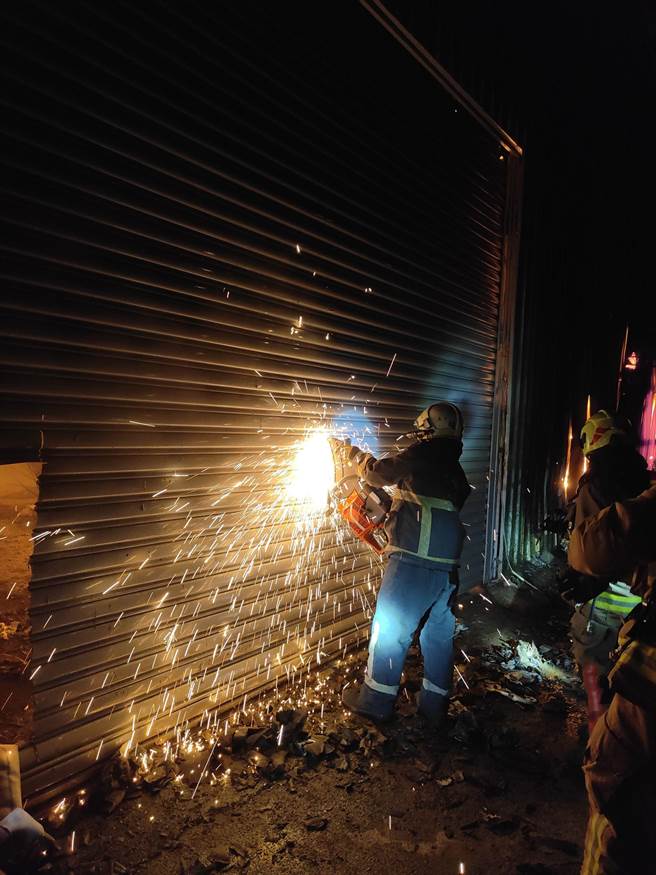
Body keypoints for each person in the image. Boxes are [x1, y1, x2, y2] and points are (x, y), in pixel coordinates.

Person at [333, 401, 471, 725]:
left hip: (413, 562)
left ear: (430, 429)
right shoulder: (457, 473)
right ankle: (434, 708)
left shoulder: (420, 454)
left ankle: (375, 701)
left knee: (390, 630)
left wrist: (352, 455)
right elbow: (425, 501)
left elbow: (376, 473)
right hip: (447, 572)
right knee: (438, 638)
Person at [567, 482, 656, 874]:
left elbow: (588, 547)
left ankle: (595, 723)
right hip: (625, 601)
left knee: (618, 798)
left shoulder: (604, 483)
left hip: (646, 695)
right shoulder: (632, 471)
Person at [561, 410, 649, 732]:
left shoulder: (596, 485)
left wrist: (587, 581)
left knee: (593, 665)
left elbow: (594, 550)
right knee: (627, 670)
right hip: (639, 599)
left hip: (605, 598)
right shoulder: (643, 478)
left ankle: (599, 739)